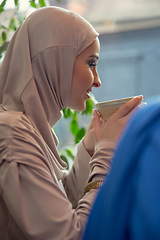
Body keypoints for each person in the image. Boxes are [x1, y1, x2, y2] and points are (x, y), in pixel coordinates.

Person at [0, 6, 143, 240]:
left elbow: (58, 202)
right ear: (55, 60)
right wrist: (106, 151)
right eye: (91, 63)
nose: (97, 81)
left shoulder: (27, 127)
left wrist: (91, 146)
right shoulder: (14, 134)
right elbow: (72, 235)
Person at [83, 96, 160, 240]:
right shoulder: (150, 122)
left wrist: (100, 150)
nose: (97, 81)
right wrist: (99, 150)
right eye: (90, 70)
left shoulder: (149, 122)